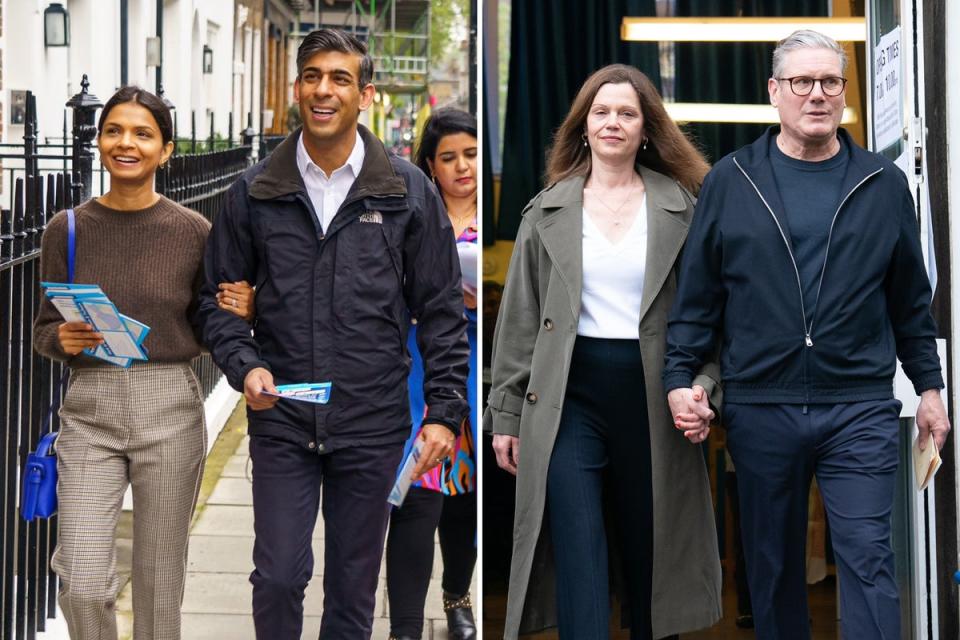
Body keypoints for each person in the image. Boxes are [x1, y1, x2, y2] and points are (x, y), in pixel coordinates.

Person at [663, 29, 951, 639]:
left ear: (844, 93)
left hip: (859, 407)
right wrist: (680, 378)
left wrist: (930, 388)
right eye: (802, 82)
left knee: (869, 558)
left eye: (830, 82)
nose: (816, 94)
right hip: (760, 406)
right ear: (775, 91)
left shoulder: (881, 184)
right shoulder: (731, 182)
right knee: (771, 569)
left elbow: (909, 302)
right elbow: (698, 300)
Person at [196, 29, 469, 640]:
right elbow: (213, 303)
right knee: (277, 577)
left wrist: (445, 413)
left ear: (365, 94)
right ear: (297, 88)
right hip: (283, 417)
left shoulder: (407, 193)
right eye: (313, 76)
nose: (324, 90)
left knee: (352, 591)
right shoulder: (255, 192)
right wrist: (245, 366)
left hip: (372, 424)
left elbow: (443, 311)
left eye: (340, 78)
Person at [485, 63, 722, 640]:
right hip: (568, 397)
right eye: (601, 112)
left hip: (654, 395)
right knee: (578, 547)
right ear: (583, 126)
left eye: (626, 113)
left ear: (647, 130)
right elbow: (518, 326)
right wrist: (507, 415)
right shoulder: (545, 212)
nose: (612, 122)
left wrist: (705, 386)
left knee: (650, 552)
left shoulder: (685, 209)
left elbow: (713, 319)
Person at [33, 86, 210, 639]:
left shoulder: (195, 232)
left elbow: (211, 329)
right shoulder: (66, 229)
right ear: (99, 142)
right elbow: (42, 328)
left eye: (142, 133)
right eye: (114, 131)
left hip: (170, 406)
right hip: (89, 410)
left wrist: (240, 308)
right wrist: (60, 339)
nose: (125, 143)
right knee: (81, 583)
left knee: (159, 583)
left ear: (166, 150)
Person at [386, 107, 479, 640]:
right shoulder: (414, 217)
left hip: (474, 364)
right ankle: (404, 626)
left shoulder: (498, 222)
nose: (463, 167)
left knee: (462, 498)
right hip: (421, 368)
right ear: (429, 165)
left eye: (470, 154)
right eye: (449, 157)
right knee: (418, 491)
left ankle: (457, 597)